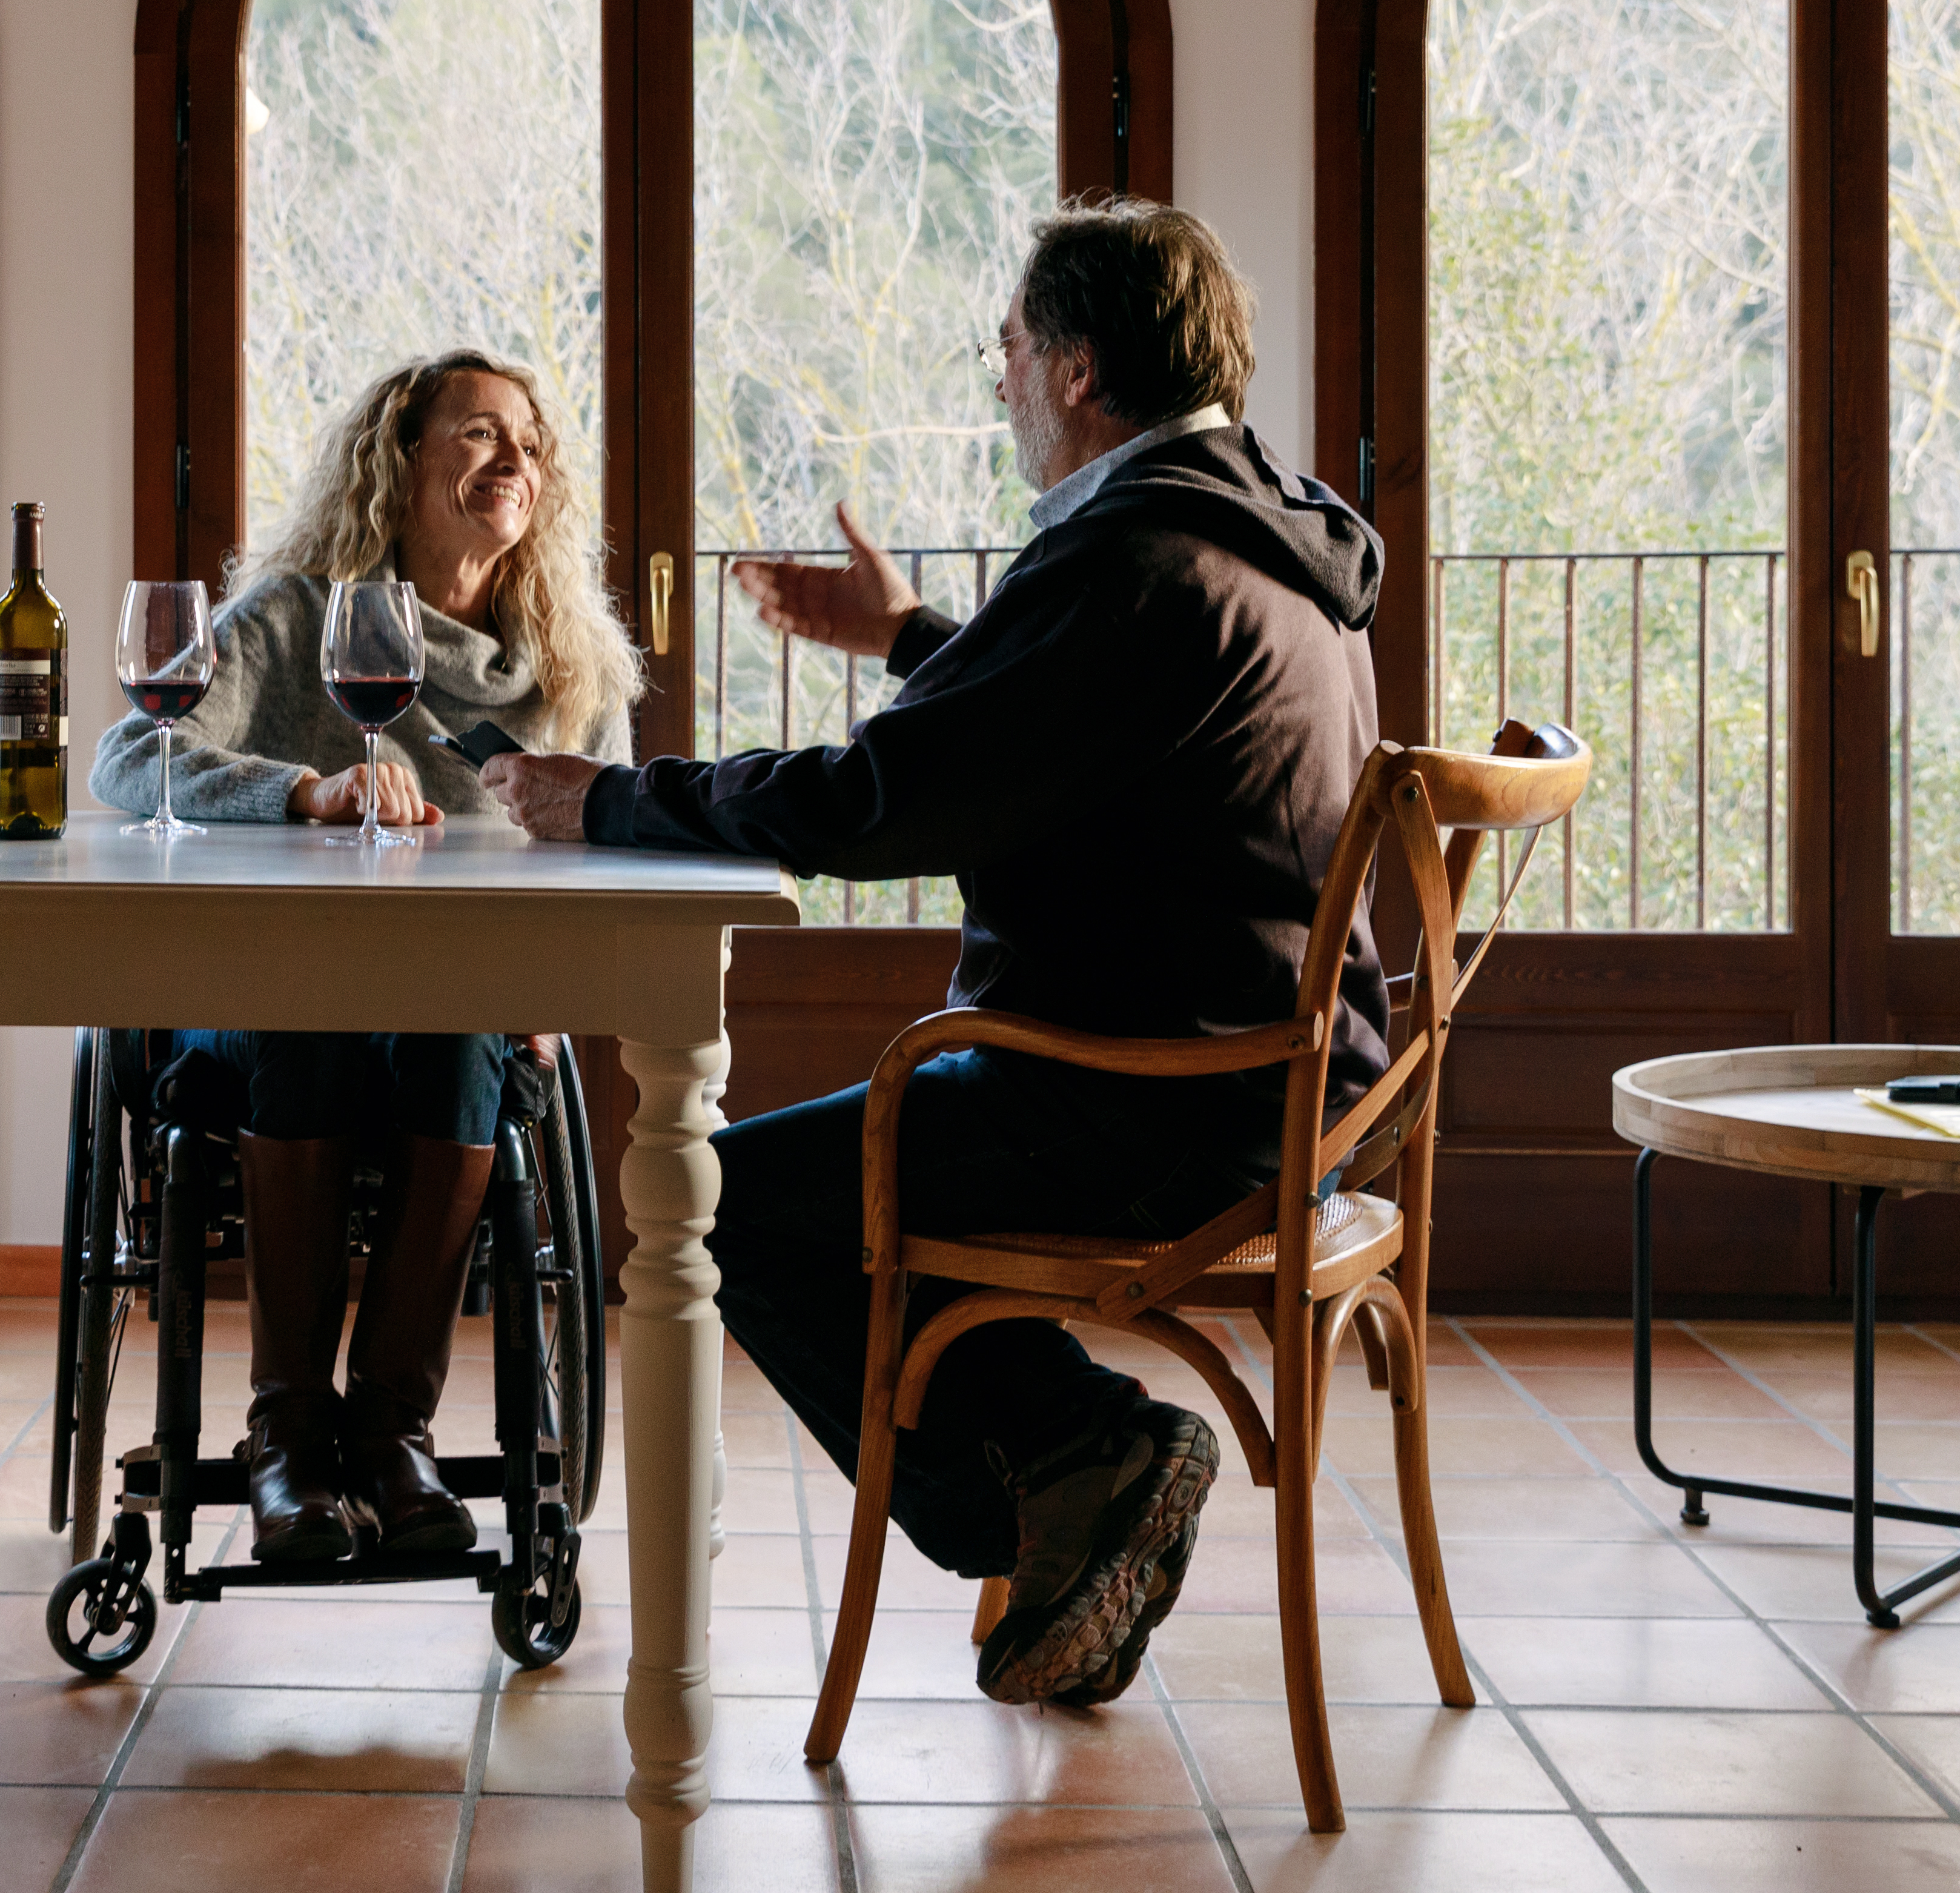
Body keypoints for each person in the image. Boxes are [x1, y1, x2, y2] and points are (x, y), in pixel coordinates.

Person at [484, 197, 1384, 1711]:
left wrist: (609, 800)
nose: (1001, 382)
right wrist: (913, 638)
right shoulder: (1254, 535)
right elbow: (1064, 725)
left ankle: (1075, 1469)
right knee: (818, 1185)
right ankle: (1071, 1505)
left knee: (725, 1200)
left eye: (1013, 349)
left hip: (1144, 1103)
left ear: (1082, 368)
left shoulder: (1134, 555)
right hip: (1283, 1094)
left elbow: (881, 800)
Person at [87, 348, 638, 1565]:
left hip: (467, 1019)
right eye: (480, 433)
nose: (515, 459)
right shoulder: (295, 617)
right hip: (260, 1012)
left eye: (531, 443)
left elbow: (609, 848)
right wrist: (302, 791)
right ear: (397, 460)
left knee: (454, 1028)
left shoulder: (571, 668)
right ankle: (289, 1441)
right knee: (312, 1013)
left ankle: (393, 1436)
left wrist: (553, 982)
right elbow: (131, 761)